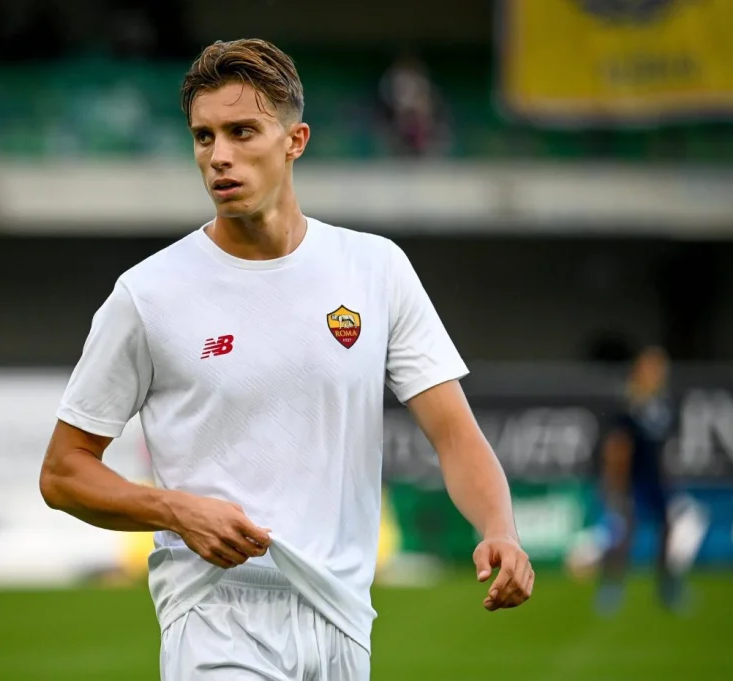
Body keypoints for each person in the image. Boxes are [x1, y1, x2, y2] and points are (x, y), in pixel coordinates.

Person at [39, 38, 533, 680]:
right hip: (215, 614)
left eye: (242, 132)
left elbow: (455, 434)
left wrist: (500, 527)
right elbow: (64, 471)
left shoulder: (375, 269)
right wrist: (176, 510)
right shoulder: (147, 294)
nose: (219, 155)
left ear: (295, 140)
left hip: (343, 618)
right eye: (203, 137)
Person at [596, 345, 683, 613]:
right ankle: (611, 587)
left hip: (657, 480)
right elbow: (617, 446)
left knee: (666, 530)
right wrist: (614, 483)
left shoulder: (664, 406)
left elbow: (666, 448)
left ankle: (667, 588)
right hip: (633, 481)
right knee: (624, 534)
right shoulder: (629, 405)